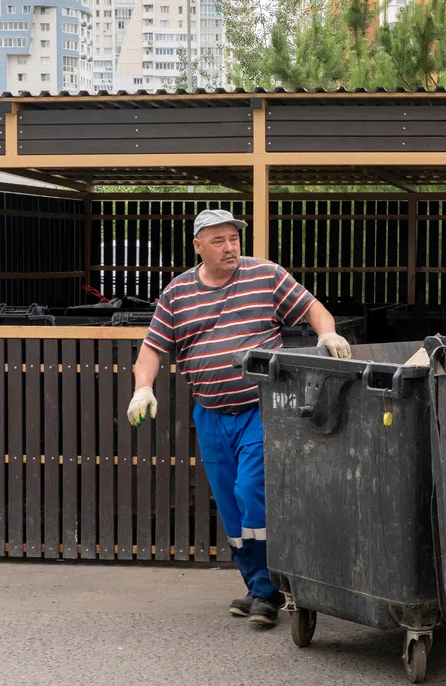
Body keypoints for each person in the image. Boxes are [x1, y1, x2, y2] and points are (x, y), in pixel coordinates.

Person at [126, 210, 350, 627]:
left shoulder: (266, 276)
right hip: (211, 414)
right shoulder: (176, 294)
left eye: (233, 239)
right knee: (230, 507)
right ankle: (258, 588)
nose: (230, 248)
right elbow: (152, 350)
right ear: (197, 246)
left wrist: (326, 333)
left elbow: (312, 307)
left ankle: (272, 589)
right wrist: (143, 388)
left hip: (262, 408)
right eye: (218, 241)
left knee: (251, 492)